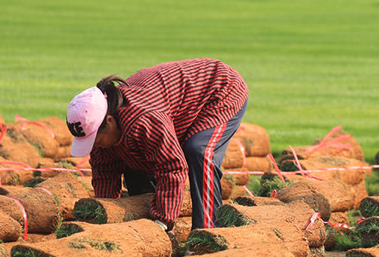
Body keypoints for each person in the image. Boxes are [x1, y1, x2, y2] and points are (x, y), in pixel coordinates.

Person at [65, 58, 249, 230]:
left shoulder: (144, 120)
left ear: (110, 122)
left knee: (198, 151)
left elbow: (172, 167)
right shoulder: (103, 132)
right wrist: (104, 217)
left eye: (96, 141)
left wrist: (163, 220)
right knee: (134, 162)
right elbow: (105, 173)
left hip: (220, 90)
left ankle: (209, 230)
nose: (95, 146)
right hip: (177, 108)